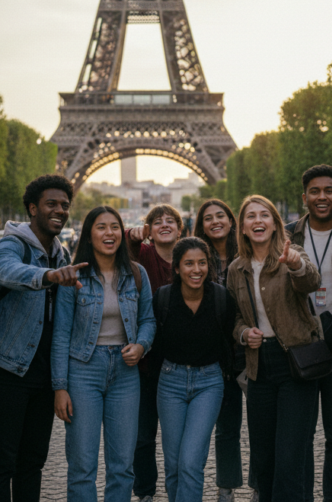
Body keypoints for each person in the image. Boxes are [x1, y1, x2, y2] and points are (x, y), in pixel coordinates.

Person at [0, 174, 83, 502]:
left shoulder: (61, 252)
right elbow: (5, 271)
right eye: (52, 204)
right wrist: (47, 276)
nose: (60, 210)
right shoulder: (13, 244)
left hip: (42, 372)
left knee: (32, 462)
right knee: (1, 460)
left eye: (65, 205)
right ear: (32, 208)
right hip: (5, 367)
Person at [52, 206, 155, 502]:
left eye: (114, 227)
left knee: (122, 465)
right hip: (83, 370)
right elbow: (61, 332)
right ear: (89, 234)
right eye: (101, 227)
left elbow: (148, 319)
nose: (108, 233)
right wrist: (59, 386)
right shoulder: (74, 277)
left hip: (125, 372)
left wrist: (141, 345)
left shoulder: (137, 274)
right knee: (82, 465)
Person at [228, 194, 321, 502]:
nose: (258, 221)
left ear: (275, 223)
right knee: (264, 458)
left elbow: (310, 280)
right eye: (251, 216)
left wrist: (295, 266)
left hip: (294, 362)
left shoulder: (292, 253)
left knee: (290, 455)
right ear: (242, 227)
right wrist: (244, 334)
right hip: (259, 367)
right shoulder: (236, 269)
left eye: (264, 215)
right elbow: (235, 317)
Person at [284, 165, 332, 502]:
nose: (322, 197)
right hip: (302, 343)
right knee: (302, 434)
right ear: (304, 198)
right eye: (314, 191)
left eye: (328, 191)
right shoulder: (286, 236)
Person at [155, 237, 239, 502]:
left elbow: (230, 337)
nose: (196, 269)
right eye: (189, 263)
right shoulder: (163, 298)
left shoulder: (222, 298)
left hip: (209, 383)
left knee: (190, 461)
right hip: (170, 382)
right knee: (173, 465)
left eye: (202, 263)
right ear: (177, 268)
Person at [127, 204, 183, 502]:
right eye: (156, 221)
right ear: (148, 228)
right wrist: (133, 236)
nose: (164, 225)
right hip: (146, 359)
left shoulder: (189, 256)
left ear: (180, 228)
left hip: (180, 358)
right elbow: (115, 247)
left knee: (178, 438)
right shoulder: (142, 254)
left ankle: (179, 488)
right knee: (143, 435)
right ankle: (145, 490)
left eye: (170, 221)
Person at [193, 199, 247, 502]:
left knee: (263, 424)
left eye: (221, 216)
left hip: (252, 347)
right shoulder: (197, 257)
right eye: (208, 218)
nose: (215, 221)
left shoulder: (250, 250)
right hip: (217, 353)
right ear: (201, 225)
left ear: (231, 219)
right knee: (227, 426)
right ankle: (226, 486)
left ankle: (261, 484)